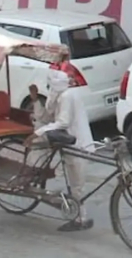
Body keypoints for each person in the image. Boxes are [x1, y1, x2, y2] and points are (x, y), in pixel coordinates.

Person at [25, 65, 94, 231]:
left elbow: (63, 122)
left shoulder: (67, 96)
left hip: (78, 144)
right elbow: (47, 117)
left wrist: (38, 133)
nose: (49, 89)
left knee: (76, 184)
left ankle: (80, 218)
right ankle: (77, 213)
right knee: (72, 181)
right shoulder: (61, 96)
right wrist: (35, 100)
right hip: (70, 145)